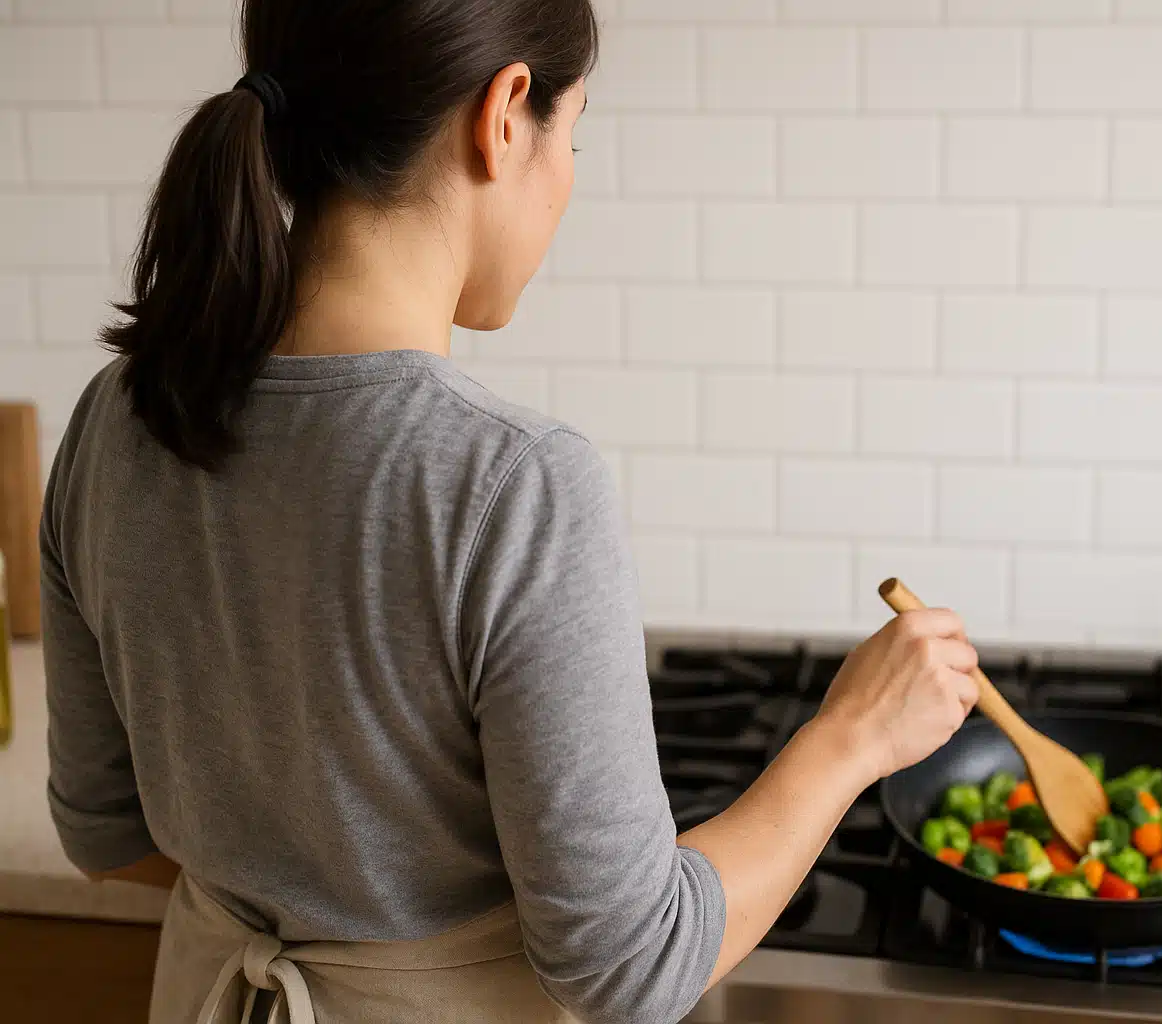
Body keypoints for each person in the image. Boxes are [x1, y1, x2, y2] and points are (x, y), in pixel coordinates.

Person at [41, 2, 981, 1022]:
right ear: (503, 115)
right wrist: (853, 735)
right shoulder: (513, 482)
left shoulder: (115, 418)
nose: (568, 177)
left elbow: (106, 833)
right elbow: (631, 967)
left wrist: (293, 892)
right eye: (571, 136)